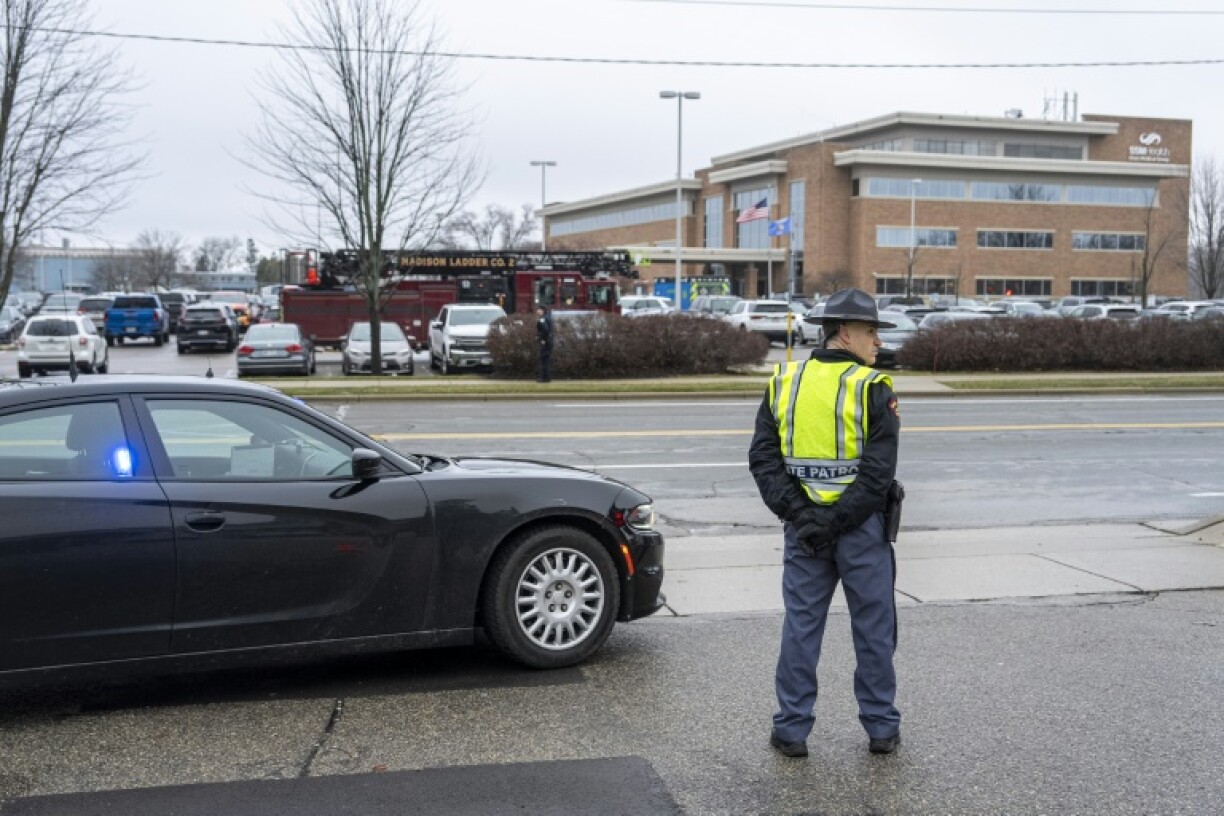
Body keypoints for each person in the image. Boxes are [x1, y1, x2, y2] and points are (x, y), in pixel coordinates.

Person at [748, 287, 903, 758]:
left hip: (805, 533)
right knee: (874, 629)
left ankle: (791, 731)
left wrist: (802, 516)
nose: (877, 342)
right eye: (871, 331)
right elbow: (878, 475)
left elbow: (763, 459)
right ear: (844, 332)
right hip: (860, 532)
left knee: (801, 627)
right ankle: (880, 729)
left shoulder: (783, 381)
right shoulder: (873, 387)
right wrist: (836, 520)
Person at [535, 305, 553, 383]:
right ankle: (547, 377)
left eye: (538, 310)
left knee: (544, 360)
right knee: (546, 360)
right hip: (549, 341)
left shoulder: (543, 319)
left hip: (545, 342)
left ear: (542, 310)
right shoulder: (548, 317)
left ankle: (544, 378)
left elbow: (545, 330)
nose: (537, 311)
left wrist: (540, 337)